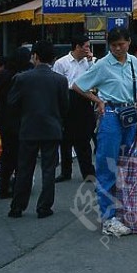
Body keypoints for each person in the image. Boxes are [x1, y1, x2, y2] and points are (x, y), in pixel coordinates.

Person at [70, 27, 137, 238]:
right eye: (113, 45)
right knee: (107, 166)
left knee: (127, 166)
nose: (117, 48)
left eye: (121, 44)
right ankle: (108, 218)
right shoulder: (103, 64)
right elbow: (78, 86)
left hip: (131, 115)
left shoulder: (134, 62)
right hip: (111, 116)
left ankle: (124, 210)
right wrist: (98, 101)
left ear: (129, 42)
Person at [6, 41, 70, 219]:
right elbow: (65, 106)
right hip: (52, 128)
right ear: (54, 58)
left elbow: (12, 103)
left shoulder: (22, 78)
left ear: (34, 56)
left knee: (25, 168)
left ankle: (17, 207)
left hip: (28, 128)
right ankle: (44, 207)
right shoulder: (60, 80)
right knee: (49, 169)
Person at [52, 36, 96, 183]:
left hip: (84, 99)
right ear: (77, 47)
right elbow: (57, 84)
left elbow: (94, 78)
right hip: (67, 98)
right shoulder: (61, 63)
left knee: (84, 138)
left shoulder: (90, 61)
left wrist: (90, 62)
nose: (88, 50)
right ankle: (66, 171)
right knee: (65, 139)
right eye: (86, 47)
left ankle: (88, 172)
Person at [0, 47, 32, 198]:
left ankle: (3, 186)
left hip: (4, 120)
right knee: (22, 156)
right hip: (22, 120)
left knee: (7, 154)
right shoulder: (24, 77)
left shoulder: (0, 76)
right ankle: (18, 187)